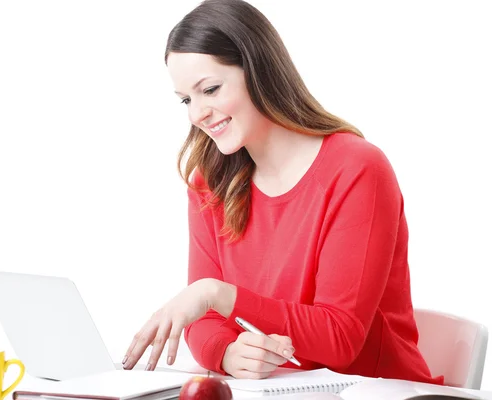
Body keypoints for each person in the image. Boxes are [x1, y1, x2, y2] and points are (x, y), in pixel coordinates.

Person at [122, 0, 443, 385]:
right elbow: (203, 320)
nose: (196, 115)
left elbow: (339, 337)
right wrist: (227, 353)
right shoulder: (209, 182)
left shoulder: (357, 169)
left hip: (375, 392)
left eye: (210, 89)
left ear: (259, 70)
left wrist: (215, 293)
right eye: (187, 99)